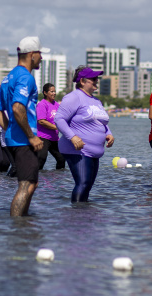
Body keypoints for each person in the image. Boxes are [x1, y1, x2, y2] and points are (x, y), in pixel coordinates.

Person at [0, 36, 47, 217]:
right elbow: (17, 107)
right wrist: (30, 136)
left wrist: (10, 129)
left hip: (15, 138)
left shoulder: (10, 76)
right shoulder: (26, 77)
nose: (42, 58)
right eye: (40, 54)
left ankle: (22, 224)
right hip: (24, 140)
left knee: (31, 182)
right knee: (27, 184)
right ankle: (17, 226)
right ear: (32, 54)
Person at [55, 67, 114, 202]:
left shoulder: (96, 101)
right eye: (93, 79)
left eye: (96, 79)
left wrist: (109, 133)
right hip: (77, 149)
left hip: (94, 151)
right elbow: (59, 119)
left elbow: (101, 121)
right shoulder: (74, 97)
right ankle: (76, 216)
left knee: (87, 185)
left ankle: (84, 217)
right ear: (82, 81)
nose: (96, 81)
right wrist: (73, 137)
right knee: (83, 183)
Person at [35, 83, 66, 170]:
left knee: (61, 159)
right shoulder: (42, 104)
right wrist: (57, 127)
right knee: (41, 159)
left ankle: (58, 179)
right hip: (43, 137)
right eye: (51, 91)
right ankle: (35, 178)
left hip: (54, 138)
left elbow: (62, 118)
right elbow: (41, 121)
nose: (54, 93)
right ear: (45, 92)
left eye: (55, 91)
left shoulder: (56, 105)